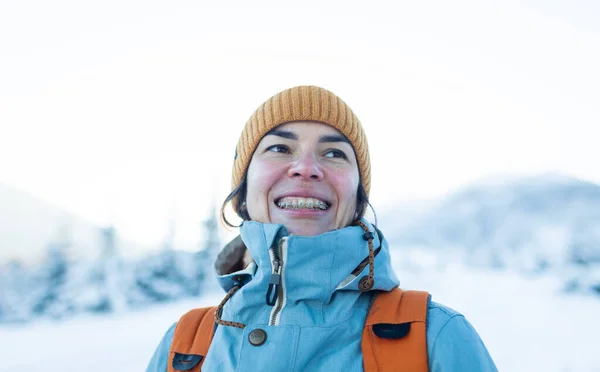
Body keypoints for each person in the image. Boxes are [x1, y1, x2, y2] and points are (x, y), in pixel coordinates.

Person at [146, 85, 498, 371]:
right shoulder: (185, 347)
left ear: (358, 199)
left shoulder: (433, 336)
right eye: (280, 148)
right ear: (243, 188)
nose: (306, 167)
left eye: (334, 154)